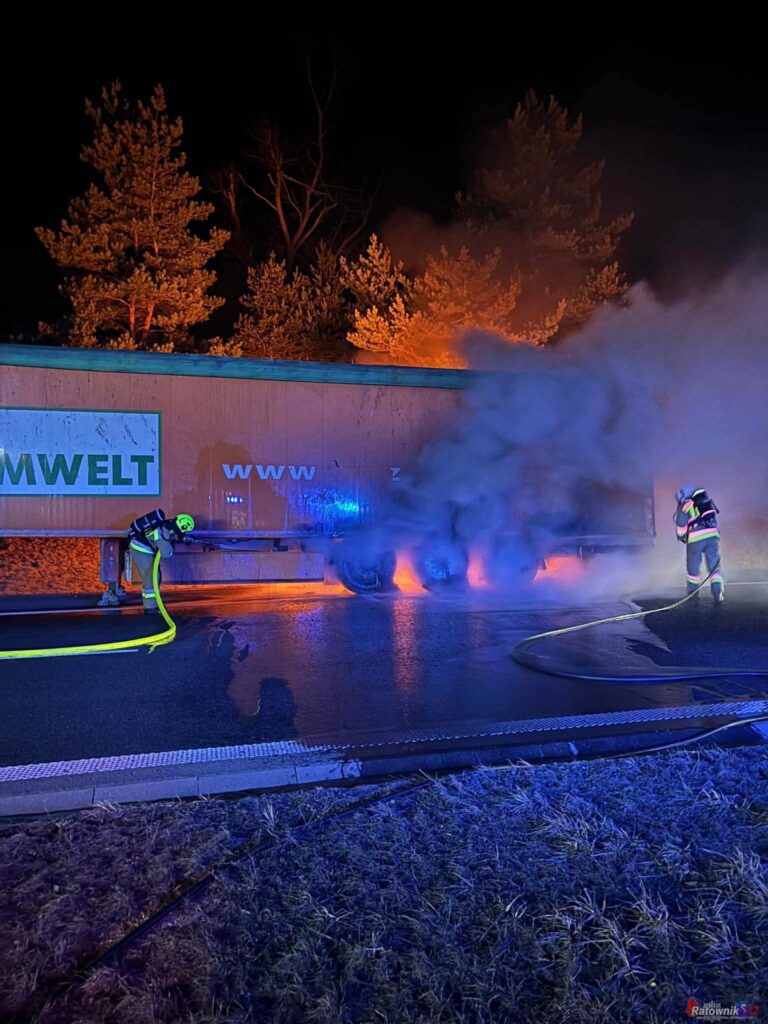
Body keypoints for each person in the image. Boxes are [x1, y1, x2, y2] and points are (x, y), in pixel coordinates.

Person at [128, 510, 195, 614]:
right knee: (152, 578)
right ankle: (151, 608)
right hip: (141, 549)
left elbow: (169, 536)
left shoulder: (167, 525)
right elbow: (166, 553)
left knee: (155, 576)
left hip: (144, 547)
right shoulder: (164, 531)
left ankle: (155, 604)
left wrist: (179, 538)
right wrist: (173, 543)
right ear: (183, 527)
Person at [674, 486, 724, 604]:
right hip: (713, 537)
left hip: (696, 539)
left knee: (693, 569)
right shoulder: (706, 502)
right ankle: (718, 593)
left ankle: (693, 595)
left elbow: (681, 526)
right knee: (714, 567)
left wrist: (681, 537)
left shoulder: (685, 505)